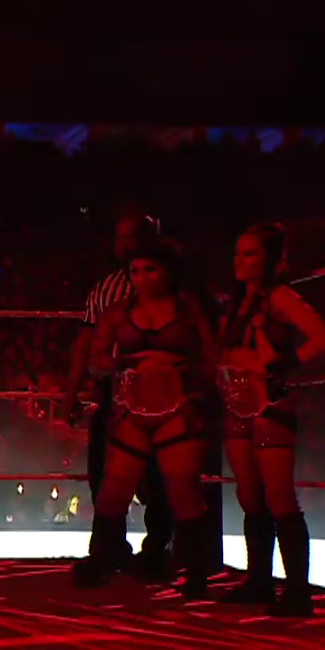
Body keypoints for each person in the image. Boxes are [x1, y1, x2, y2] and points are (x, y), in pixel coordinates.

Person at [75, 240, 219, 599]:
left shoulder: (188, 310)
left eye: (149, 270)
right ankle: (104, 558)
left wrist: (185, 377)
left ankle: (195, 571)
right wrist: (124, 365)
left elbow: (211, 357)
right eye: (135, 271)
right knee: (114, 489)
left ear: (167, 271)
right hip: (131, 407)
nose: (141, 278)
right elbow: (95, 361)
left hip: (177, 407)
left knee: (182, 489)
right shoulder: (117, 313)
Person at [216, 224, 325, 616]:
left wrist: (281, 366)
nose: (239, 261)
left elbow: (322, 337)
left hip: (268, 401)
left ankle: (297, 590)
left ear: (268, 259)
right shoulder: (237, 303)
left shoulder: (279, 297)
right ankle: (259, 581)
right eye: (237, 253)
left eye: (249, 253)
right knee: (249, 494)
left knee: (278, 495)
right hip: (237, 401)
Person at [64, 213, 175, 582]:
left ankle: (156, 549)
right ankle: (110, 547)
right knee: (105, 473)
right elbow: (86, 346)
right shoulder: (106, 291)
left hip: (165, 394)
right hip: (116, 392)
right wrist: (72, 391)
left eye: (134, 237)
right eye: (121, 237)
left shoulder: (176, 291)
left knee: (160, 476)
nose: (125, 245)